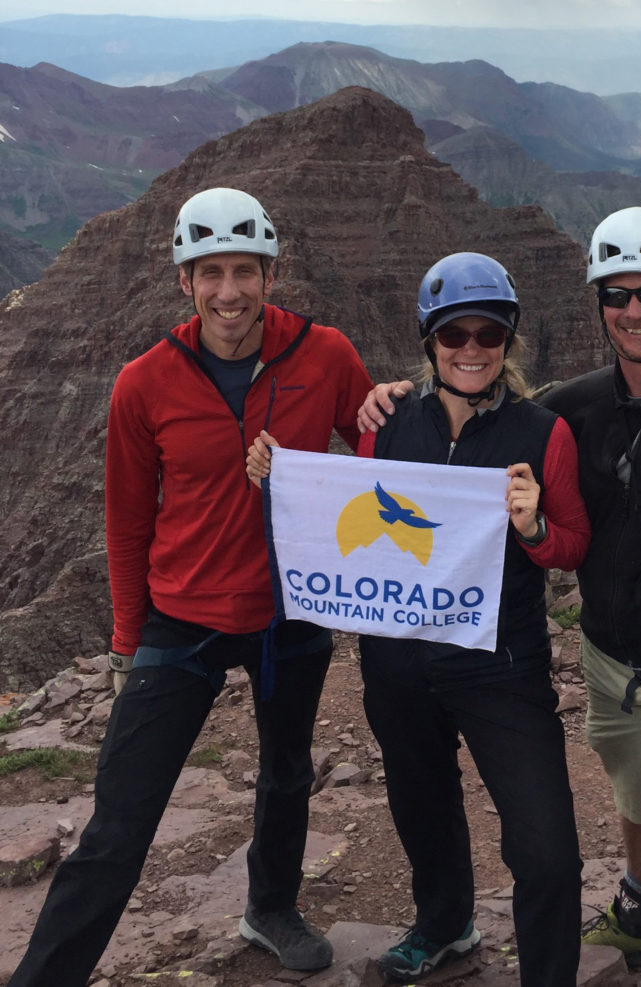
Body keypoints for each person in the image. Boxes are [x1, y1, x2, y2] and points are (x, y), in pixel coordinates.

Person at [358, 208, 641, 987]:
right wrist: (371, 402)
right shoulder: (563, 409)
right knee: (639, 802)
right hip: (606, 663)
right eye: (617, 294)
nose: (635, 310)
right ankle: (637, 909)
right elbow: (365, 492)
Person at [9, 187, 373, 987]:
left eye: (245, 271)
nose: (229, 292)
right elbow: (128, 521)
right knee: (121, 819)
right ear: (185, 280)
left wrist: (341, 453)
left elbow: (380, 470)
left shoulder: (327, 354)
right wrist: (127, 640)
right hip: (182, 620)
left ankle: (270, 907)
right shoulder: (145, 383)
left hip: (290, 611)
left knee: (286, 770)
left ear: (271, 275)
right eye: (211, 273)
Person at [247, 251, 590, 986]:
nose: (470, 349)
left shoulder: (542, 434)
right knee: (421, 799)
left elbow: (573, 544)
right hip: (398, 661)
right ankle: (444, 923)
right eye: (453, 335)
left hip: (500, 664)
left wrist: (533, 530)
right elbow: (348, 502)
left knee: (546, 846)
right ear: (430, 342)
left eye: (487, 336)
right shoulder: (389, 420)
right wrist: (276, 476)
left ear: (509, 343)